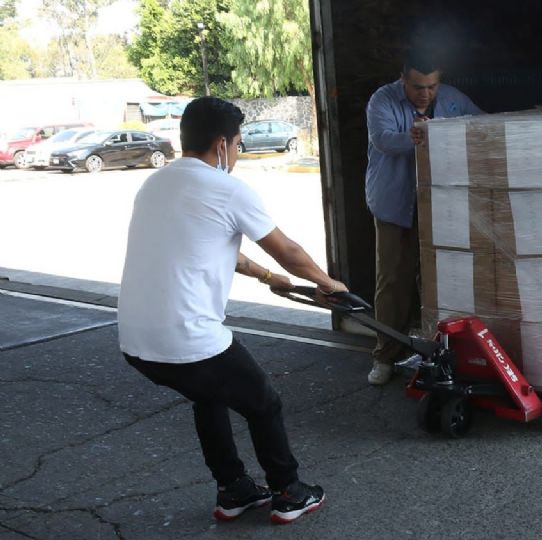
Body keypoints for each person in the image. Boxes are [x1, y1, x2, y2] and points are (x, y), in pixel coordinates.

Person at [118, 97, 346, 525]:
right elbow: (289, 250)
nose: (238, 154)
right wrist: (328, 283)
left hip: (135, 342)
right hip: (188, 338)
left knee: (208, 395)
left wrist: (266, 277)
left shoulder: (155, 184)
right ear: (222, 145)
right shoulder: (227, 189)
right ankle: (289, 492)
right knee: (264, 403)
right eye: (239, 145)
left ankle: (234, 489)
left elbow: (223, 250)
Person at [364, 49, 483, 385]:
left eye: (431, 86)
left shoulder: (452, 98)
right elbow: (383, 140)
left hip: (441, 205)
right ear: (403, 79)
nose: (425, 93)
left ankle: (436, 354)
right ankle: (385, 356)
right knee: (393, 282)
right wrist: (413, 137)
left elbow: (480, 123)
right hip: (395, 206)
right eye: (417, 86)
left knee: (437, 281)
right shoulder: (382, 100)